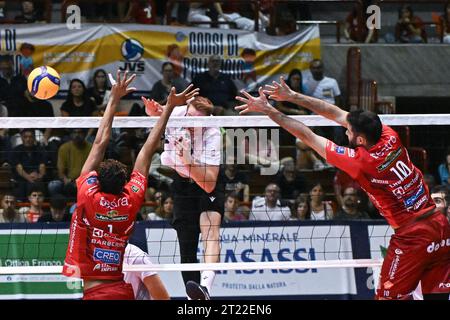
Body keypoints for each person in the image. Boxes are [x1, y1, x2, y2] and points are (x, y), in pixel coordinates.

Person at [235, 78, 450, 300]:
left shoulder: (361, 162)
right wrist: (293, 96)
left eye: (348, 132)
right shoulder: (388, 135)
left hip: (412, 235)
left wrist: (268, 110)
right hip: (440, 224)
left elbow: (308, 136)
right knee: (438, 295)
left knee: (387, 298)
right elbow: (337, 113)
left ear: (359, 138)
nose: (345, 132)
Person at [62, 71, 192, 300]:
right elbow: (147, 151)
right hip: (121, 291)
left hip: (96, 293)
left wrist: (113, 98)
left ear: (97, 182)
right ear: (124, 185)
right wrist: (169, 108)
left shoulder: (88, 195)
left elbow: (101, 142)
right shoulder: (130, 200)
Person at [142, 94, 222, 300]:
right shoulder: (179, 113)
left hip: (205, 181)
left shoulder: (212, 133)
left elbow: (209, 183)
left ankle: (206, 287)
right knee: (186, 246)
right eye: (189, 117)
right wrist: (152, 111)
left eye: (197, 122)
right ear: (186, 111)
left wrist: (188, 160)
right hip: (182, 185)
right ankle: (192, 297)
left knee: (210, 232)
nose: (190, 124)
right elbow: (157, 112)